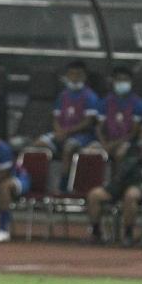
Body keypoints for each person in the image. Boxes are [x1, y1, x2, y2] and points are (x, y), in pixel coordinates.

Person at [86, 119, 142, 246]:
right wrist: (120, 154)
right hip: (125, 180)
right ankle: (96, 233)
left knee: (130, 195)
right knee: (94, 195)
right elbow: (120, 162)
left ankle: (128, 234)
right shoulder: (133, 146)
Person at [34, 60, 99, 191]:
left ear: (84, 76)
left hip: (82, 136)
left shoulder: (90, 96)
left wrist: (67, 132)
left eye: (78, 74)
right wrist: (59, 131)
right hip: (61, 133)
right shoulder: (62, 96)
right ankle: (40, 185)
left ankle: (63, 187)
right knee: (38, 144)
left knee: (68, 148)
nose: (74, 78)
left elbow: (89, 121)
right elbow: (56, 118)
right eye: (71, 74)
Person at [95, 66, 142, 161]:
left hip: (128, 142)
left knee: (120, 153)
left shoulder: (138, 103)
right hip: (107, 140)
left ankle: (117, 176)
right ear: (113, 81)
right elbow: (99, 127)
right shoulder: (105, 101)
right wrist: (104, 143)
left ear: (131, 82)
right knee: (91, 151)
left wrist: (114, 144)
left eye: (125, 80)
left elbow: (133, 132)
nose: (122, 83)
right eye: (119, 80)